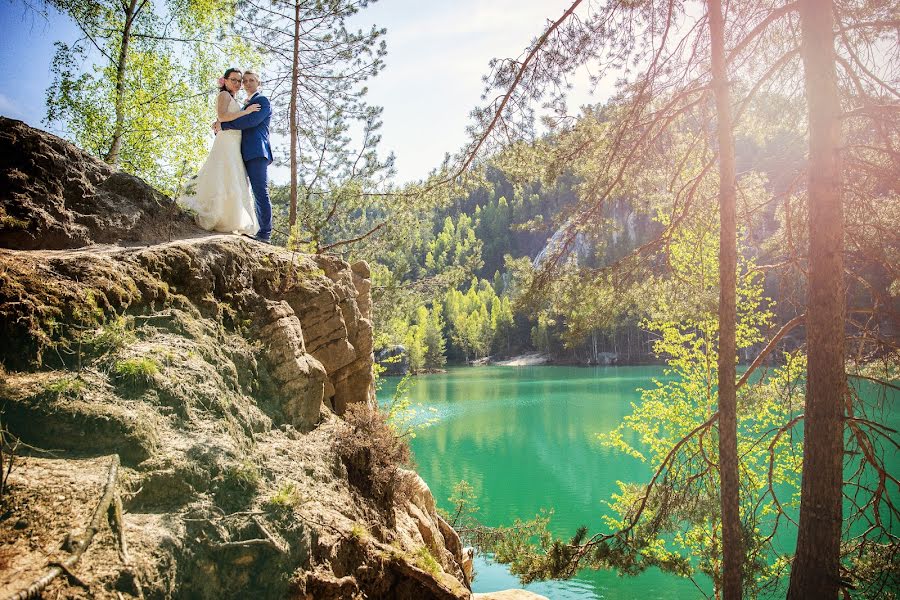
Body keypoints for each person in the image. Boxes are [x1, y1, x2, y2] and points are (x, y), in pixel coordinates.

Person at [177, 68, 260, 235]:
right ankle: (217, 215)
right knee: (223, 172)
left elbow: (224, 118)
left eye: (239, 80)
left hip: (234, 141)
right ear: (225, 81)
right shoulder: (223, 95)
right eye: (234, 80)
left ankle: (230, 218)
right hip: (226, 140)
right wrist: (246, 111)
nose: (237, 83)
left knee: (232, 175)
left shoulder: (233, 98)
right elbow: (222, 116)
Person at [216, 70, 273, 243]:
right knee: (243, 190)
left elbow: (251, 122)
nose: (247, 83)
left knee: (260, 191)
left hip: (257, 151)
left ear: (259, 83)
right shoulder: (245, 104)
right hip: (242, 152)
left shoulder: (262, 101)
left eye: (251, 80)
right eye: (245, 81)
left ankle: (265, 234)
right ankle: (245, 225)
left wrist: (224, 125)